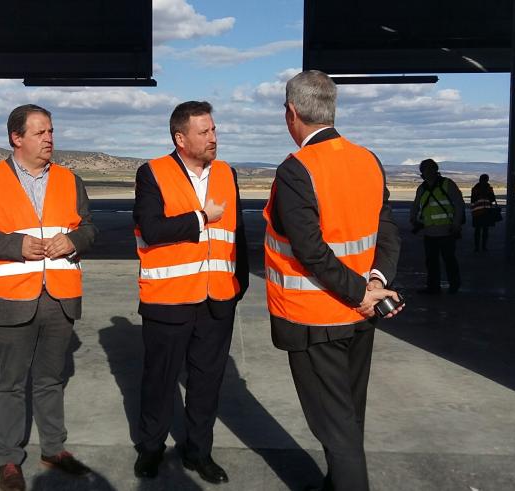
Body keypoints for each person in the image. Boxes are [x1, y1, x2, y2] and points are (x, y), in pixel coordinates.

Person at [264, 70, 402, 491]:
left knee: (336, 428)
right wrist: (375, 283)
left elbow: (310, 251)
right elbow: (386, 229)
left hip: (315, 321)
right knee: (348, 418)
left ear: (292, 113)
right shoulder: (368, 159)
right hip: (361, 318)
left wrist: (361, 291)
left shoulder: (296, 170)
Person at [0, 104, 97, 491]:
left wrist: (73, 240)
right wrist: (17, 245)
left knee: (51, 380)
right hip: (10, 298)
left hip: (60, 297)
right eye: (40, 133)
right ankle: (9, 459)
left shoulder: (71, 180)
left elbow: (89, 229)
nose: (49, 138)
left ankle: (53, 448)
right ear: (16, 138)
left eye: (51, 131)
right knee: (11, 384)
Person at [131, 101, 248, 484]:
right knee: (160, 382)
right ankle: (151, 449)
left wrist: (237, 284)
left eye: (213, 129)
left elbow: (238, 235)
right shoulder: (153, 173)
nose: (213, 137)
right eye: (204, 131)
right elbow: (151, 228)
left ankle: (199, 453)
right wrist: (200, 218)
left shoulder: (227, 174)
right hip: (168, 300)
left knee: (206, 383)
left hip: (217, 300)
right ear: (180, 138)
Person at [409, 158, 465, 294]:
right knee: (431, 262)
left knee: (449, 260)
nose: (428, 172)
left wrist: (456, 224)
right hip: (429, 233)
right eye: (425, 170)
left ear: (435, 170)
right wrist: (413, 219)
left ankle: (454, 286)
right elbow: (416, 206)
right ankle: (433, 287)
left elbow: (459, 205)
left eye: (430, 169)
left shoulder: (447, 184)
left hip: (447, 231)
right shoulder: (422, 188)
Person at [470, 173, 498, 252]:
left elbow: (492, 198)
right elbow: (492, 199)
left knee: (481, 231)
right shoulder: (480, 189)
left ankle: (480, 247)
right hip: (482, 212)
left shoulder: (477, 188)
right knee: (481, 231)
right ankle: (480, 247)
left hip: (480, 212)